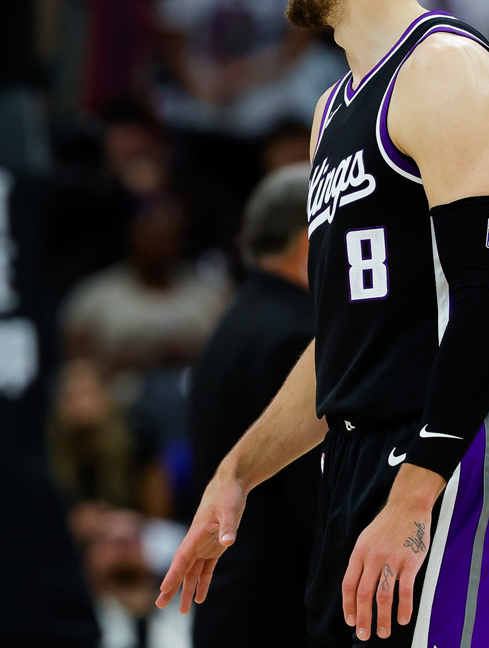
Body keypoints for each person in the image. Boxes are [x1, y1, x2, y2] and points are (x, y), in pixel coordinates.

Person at [157, 0, 489, 648]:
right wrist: (236, 476)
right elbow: (338, 344)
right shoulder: (333, 109)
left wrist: (414, 494)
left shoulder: (446, 71)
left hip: (451, 451)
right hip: (356, 455)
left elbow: (484, 303)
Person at [186, 164, 316, 648]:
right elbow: (309, 493)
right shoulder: (293, 338)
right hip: (272, 603)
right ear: (311, 239)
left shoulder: (235, 321)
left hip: (230, 595)